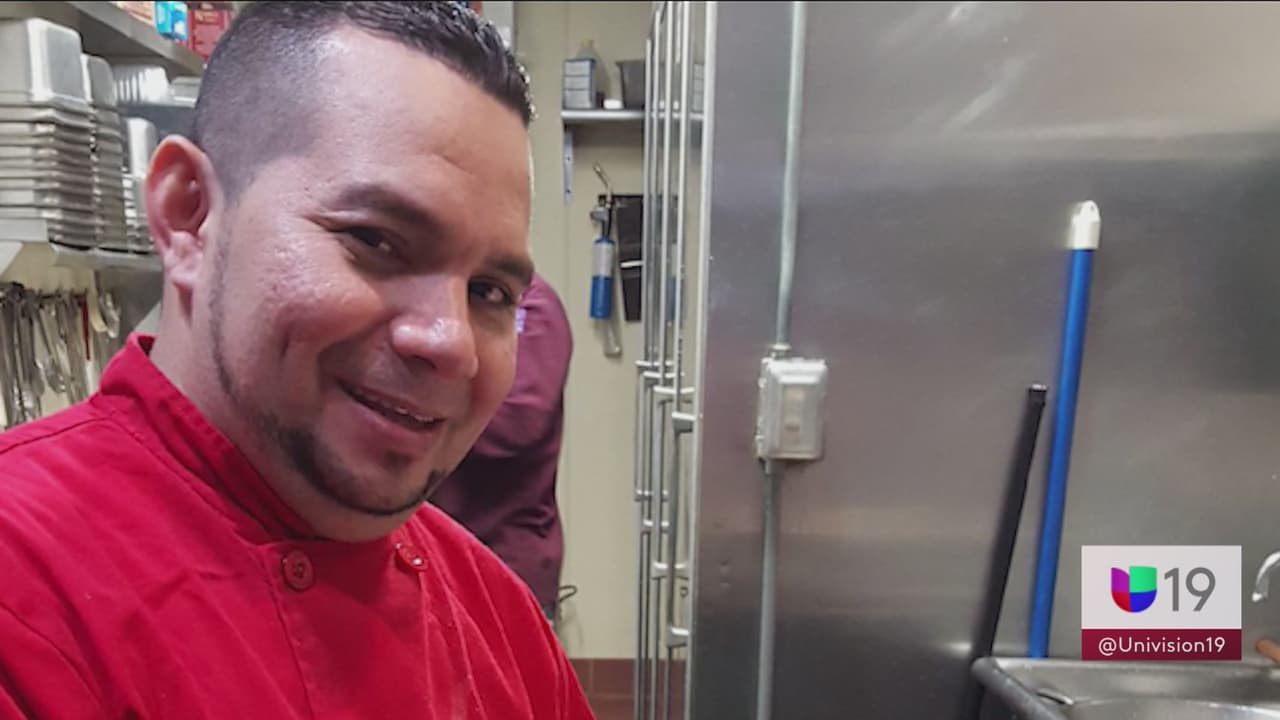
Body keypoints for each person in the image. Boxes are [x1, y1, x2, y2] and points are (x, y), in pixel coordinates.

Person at [0, 2, 595, 718]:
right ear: (189, 216)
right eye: (376, 241)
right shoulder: (24, 586)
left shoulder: (498, 621)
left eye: (489, 292)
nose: (451, 342)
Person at [432, 273, 573, 622]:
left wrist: (422, 407)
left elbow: (518, 422)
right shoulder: (448, 290)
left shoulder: (529, 301)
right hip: (439, 558)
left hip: (503, 560)